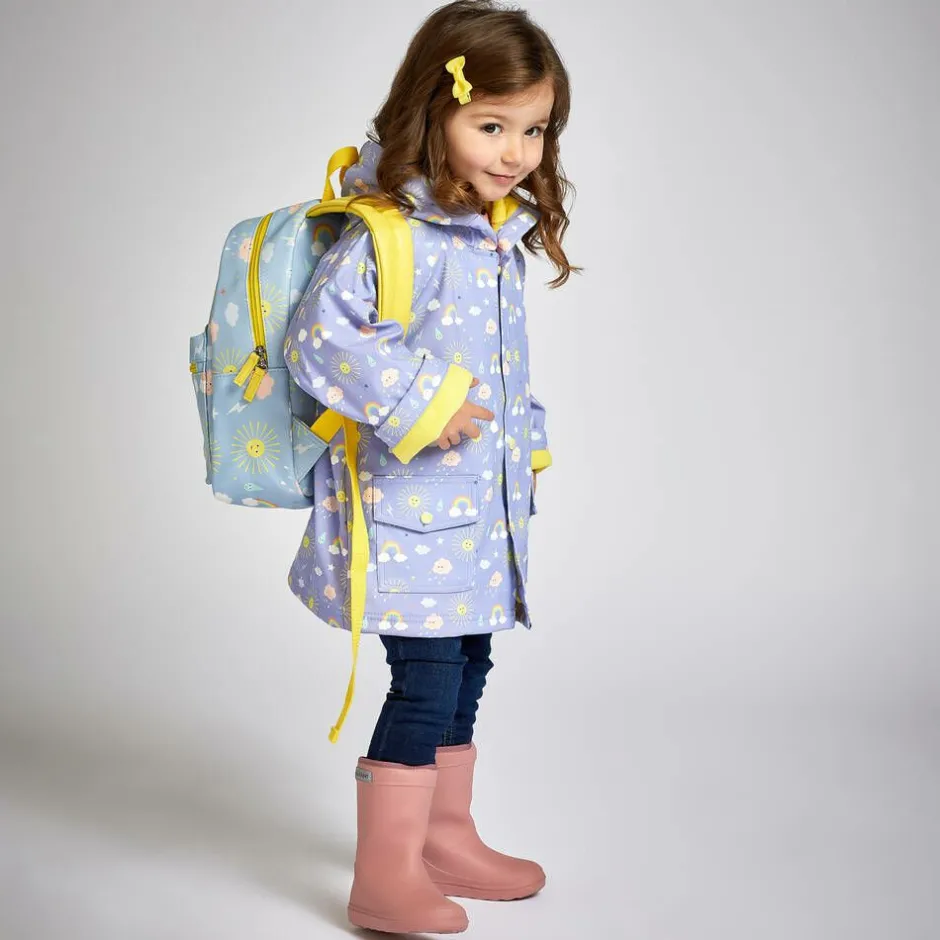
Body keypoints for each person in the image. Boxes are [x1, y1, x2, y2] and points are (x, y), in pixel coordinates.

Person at [282, 0, 578, 932]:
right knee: (424, 682)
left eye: (534, 129)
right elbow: (318, 342)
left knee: (468, 664)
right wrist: (424, 401)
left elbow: (502, 366)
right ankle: (384, 876)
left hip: (478, 513)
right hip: (409, 517)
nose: (516, 152)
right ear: (434, 113)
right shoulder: (390, 232)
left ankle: (443, 840)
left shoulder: (492, 232)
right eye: (491, 126)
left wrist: (524, 447)